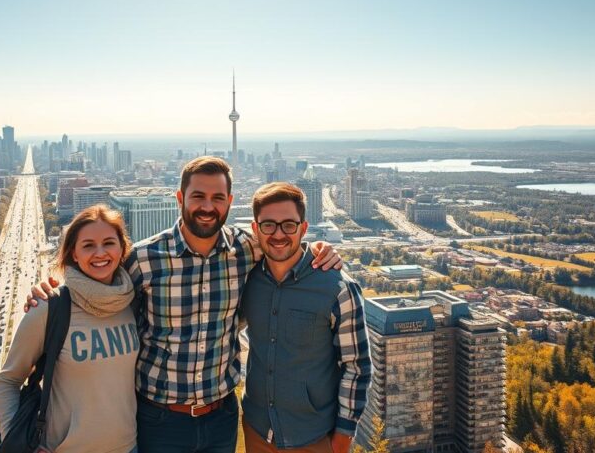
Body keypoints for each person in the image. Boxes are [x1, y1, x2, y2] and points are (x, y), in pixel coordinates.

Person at [26, 156, 343, 453]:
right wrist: (54, 290)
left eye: (218, 198)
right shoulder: (145, 258)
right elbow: (104, 294)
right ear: (180, 199)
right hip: (160, 420)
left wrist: (319, 248)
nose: (208, 207)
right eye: (198, 197)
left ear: (230, 203)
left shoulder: (247, 249)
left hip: (222, 416)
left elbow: (285, 242)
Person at [241, 183, 370, 453]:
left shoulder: (338, 289)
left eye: (289, 225)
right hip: (256, 432)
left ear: (304, 227)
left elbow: (356, 368)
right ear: (255, 229)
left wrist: (342, 439)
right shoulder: (246, 280)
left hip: (313, 438)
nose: (278, 234)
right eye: (268, 225)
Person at [0, 205, 138, 453]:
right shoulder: (50, 308)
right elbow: (8, 379)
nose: (100, 253)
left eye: (109, 243)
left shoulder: (132, 303)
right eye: (88, 245)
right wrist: (18, 443)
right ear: (73, 253)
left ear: (122, 248)